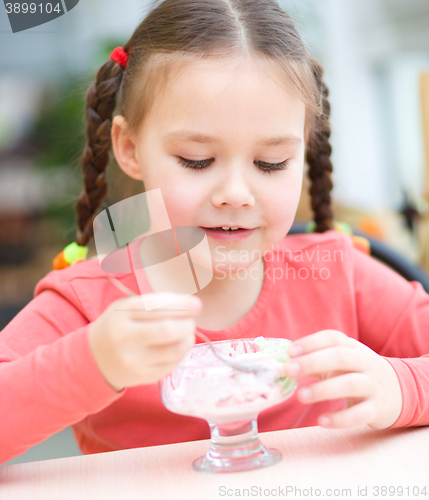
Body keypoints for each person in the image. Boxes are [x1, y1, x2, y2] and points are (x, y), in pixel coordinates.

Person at [1, 0, 428, 465]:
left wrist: (402, 387)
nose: (235, 194)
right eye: (197, 160)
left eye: (271, 163)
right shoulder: (86, 304)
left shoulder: (339, 275)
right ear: (130, 148)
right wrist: (92, 362)